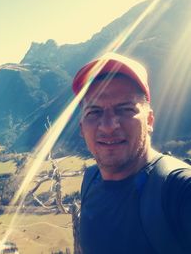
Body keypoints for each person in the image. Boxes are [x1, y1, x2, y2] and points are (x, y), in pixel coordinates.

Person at [71, 52, 191, 254]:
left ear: (150, 121)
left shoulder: (180, 191)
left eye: (125, 109)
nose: (108, 126)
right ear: (82, 128)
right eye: (94, 112)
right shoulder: (90, 180)